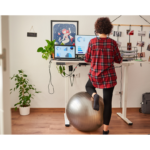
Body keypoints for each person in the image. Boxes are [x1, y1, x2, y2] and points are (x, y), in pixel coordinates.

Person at [84, 17, 122, 134]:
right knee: (108, 102)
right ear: (109, 30)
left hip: (95, 75)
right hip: (109, 77)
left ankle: (94, 94)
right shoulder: (113, 43)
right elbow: (118, 60)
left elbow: (86, 59)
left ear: (97, 30)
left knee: (88, 87)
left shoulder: (92, 42)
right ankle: (105, 130)